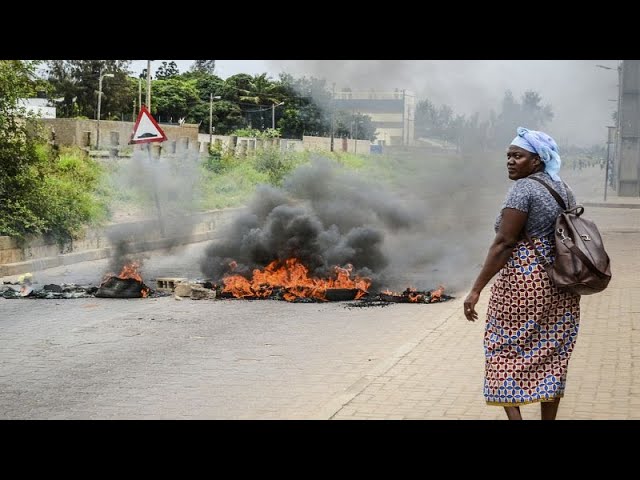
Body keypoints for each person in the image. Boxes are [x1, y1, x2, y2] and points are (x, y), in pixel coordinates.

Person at [463, 126, 580, 421]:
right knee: (552, 354)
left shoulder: (523, 189)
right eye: (508, 156)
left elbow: (504, 243)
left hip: (523, 282)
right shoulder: (563, 188)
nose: (511, 161)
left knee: (502, 348)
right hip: (562, 282)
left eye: (518, 156)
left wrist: (476, 288)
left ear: (537, 160)